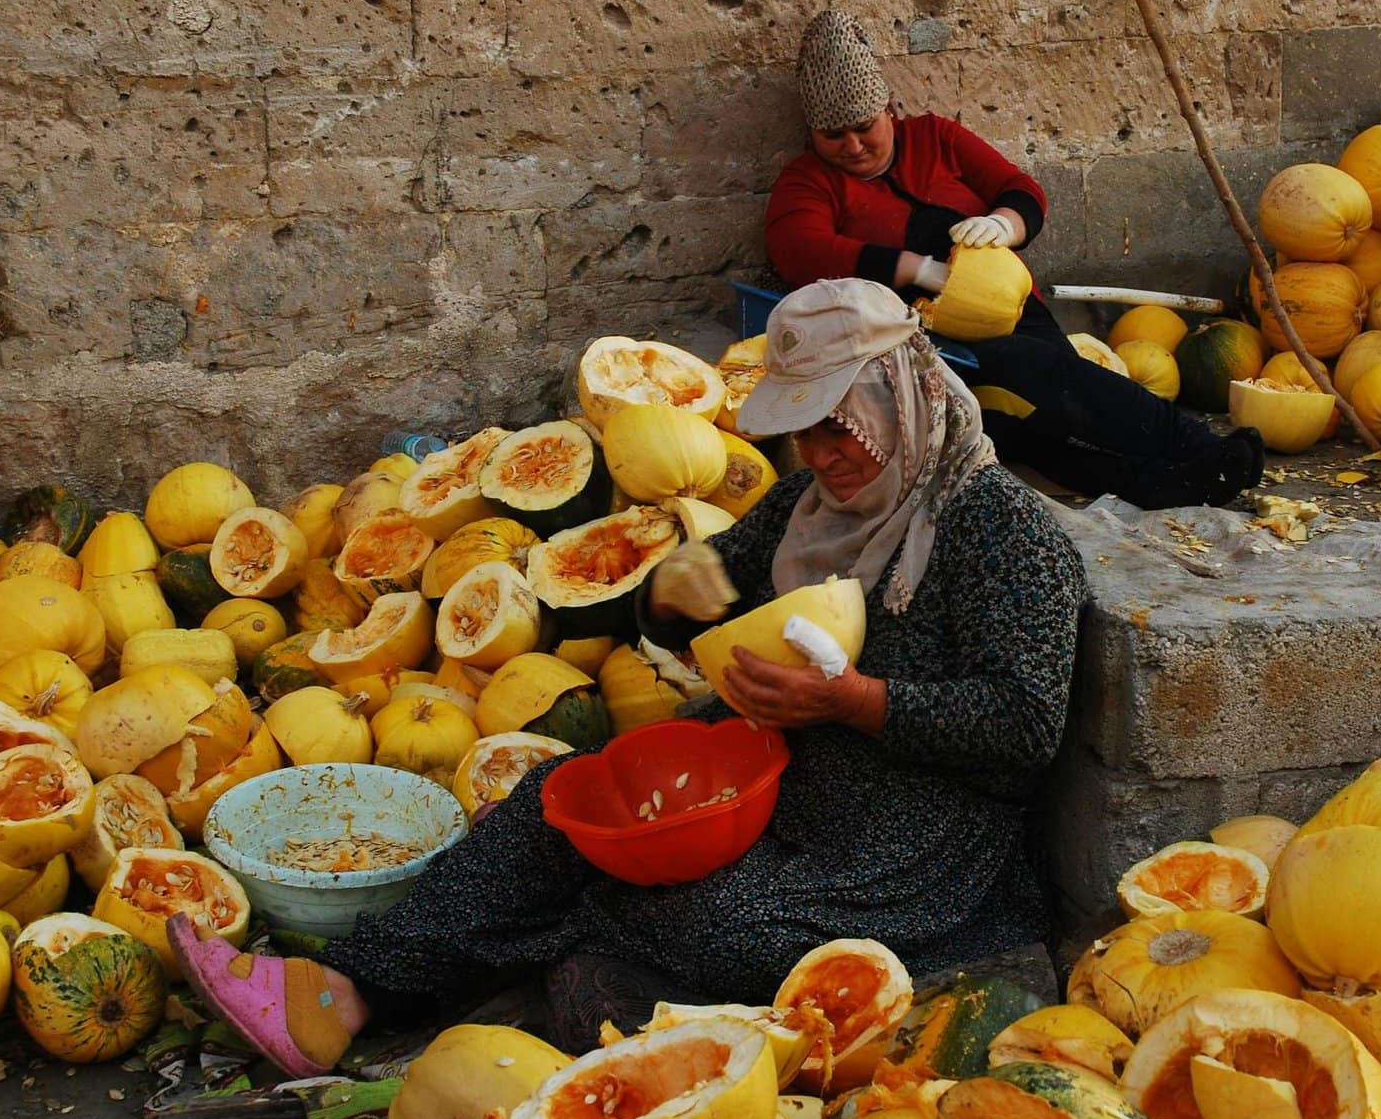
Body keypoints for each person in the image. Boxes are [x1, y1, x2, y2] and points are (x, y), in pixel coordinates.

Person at [168, 279, 1088, 1071]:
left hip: (919, 839)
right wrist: (672, 597)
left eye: (835, 429)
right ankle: (343, 993)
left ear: (901, 397)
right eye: (800, 433)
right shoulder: (813, 510)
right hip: (781, 777)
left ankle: (520, 941)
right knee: (555, 799)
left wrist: (854, 701)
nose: (815, 457)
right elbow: (714, 587)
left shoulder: (1004, 532)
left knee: (716, 921)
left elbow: (1025, 722)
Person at [766, 9, 1264, 511]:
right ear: (813, 133)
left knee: (1061, 403)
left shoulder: (936, 138)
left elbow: (1020, 190)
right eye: (834, 135)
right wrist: (915, 269)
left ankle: (1171, 480)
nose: (852, 145)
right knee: (1031, 384)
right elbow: (800, 250)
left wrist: (1007, 221)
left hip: (1013, 307)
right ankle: (1198, 449)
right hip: (924, 343)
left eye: (864, 127)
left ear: (888, 110)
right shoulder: (807, 181)